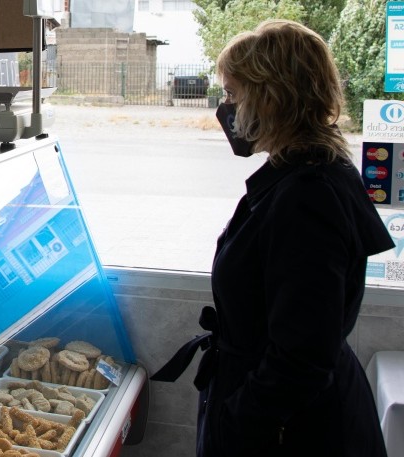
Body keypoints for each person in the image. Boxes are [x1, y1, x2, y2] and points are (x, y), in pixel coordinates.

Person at [151, 20, 394, 457]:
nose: (225, 109)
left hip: (292, 429)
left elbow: (302, 355)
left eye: (231, 94)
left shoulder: (308, 195)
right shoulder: (309, 173)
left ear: (270, 96)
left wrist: (239, 421)